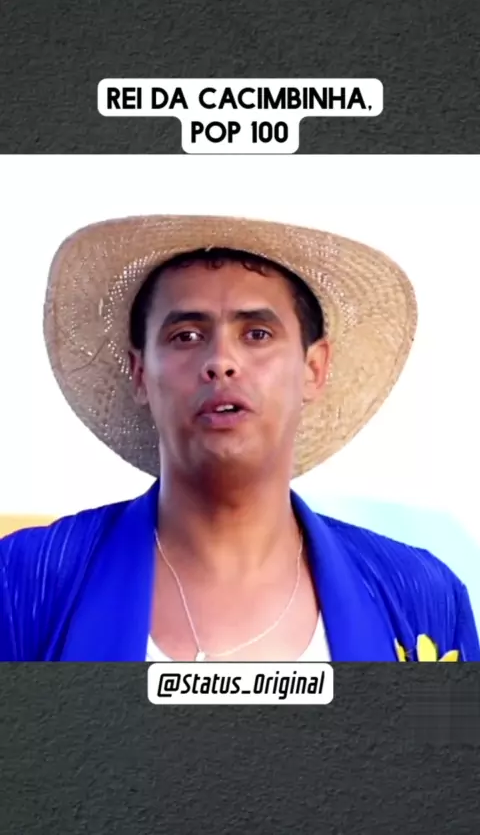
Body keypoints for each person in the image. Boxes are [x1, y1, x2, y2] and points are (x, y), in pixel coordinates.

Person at [1, 214, 478, 662]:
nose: (220, 362)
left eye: (257, 334)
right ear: (140, 373)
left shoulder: (421, 597)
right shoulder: (27, 582)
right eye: (186, 336)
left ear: (314, 369)